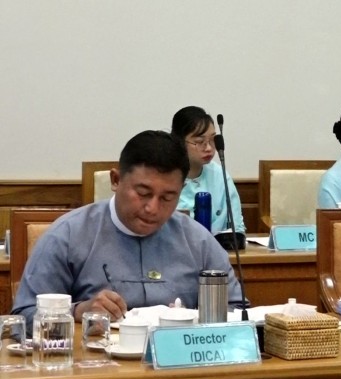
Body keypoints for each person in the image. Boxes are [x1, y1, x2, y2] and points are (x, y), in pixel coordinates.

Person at [12, 130, 245, 327]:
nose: (152, 208)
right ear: (116, 180)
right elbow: (23, 317)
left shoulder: (198, 240)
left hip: (179, 361)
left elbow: (237, 311)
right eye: (143, 193)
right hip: (96, 363)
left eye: (167, 197)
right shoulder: (68, 235)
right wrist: (78, 311)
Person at [172, 106, 245, 233]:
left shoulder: (219, 174)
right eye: (200, 141)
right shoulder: (166, 177)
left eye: (212, 140)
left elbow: (237, 227)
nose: (209, 148)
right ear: (179, 141)